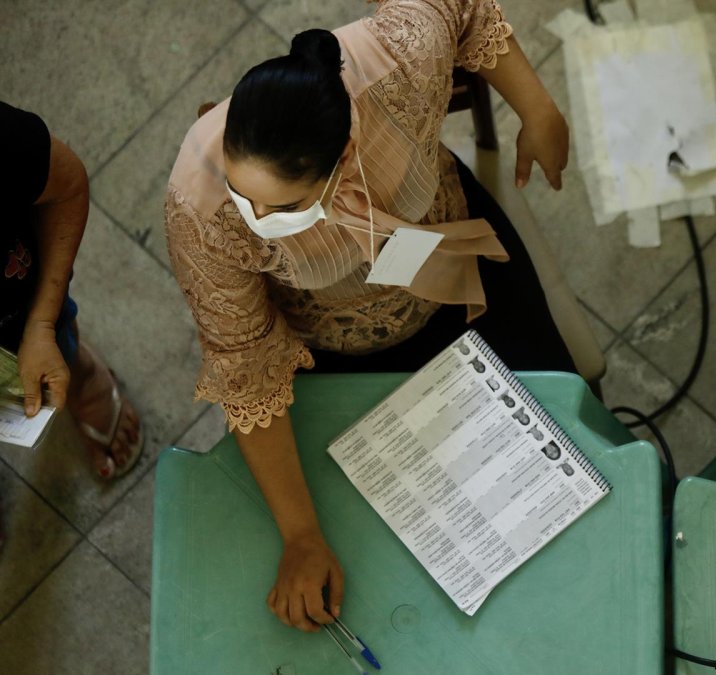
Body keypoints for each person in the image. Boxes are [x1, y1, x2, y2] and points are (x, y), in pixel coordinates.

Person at [164, 0, 572, 633]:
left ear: (346, 149)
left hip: (460, 271)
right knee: (392, 532)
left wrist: (539, 109)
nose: (257, 222)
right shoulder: (202, 212)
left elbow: (463, 8)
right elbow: (244, 366)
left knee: (553, 442)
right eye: (246, 198)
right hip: (333, 346)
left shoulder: (399, 60)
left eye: (285, 207)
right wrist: (300, 536)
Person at [0, 102, 143, 486]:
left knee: (57, 345)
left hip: (17, 308)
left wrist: (42, 323)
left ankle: (80, 375)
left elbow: (65, 187)